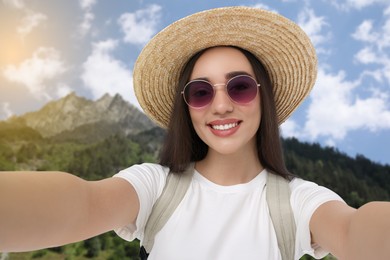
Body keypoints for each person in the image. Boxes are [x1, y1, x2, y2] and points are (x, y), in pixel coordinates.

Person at [0, 6, 389, 260]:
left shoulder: (298, 201)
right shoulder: (155, 187)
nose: (220, 106)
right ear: (187, 108)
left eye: (239, 86)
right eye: (201, 92)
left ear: (262, 97)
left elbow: (354, 230)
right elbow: (83, 203)